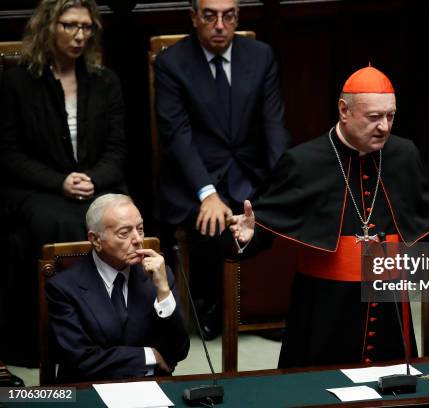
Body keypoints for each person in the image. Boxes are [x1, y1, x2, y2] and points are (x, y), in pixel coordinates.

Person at [228, 66, 429, 369]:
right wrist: (246, 238)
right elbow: (267, 226)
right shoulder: (303, 162)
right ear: (343, 110)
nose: (384, 127)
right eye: (374, 117)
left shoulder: (403, 155)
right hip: (325, 312)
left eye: (390, 116)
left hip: (390, 309)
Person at [0, 0, 126, 366]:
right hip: (37, 188)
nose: (79, 35)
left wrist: (92, 179)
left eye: (86, 27)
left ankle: (112, 334)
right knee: (56, 224)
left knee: (118, 220)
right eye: (70, 26)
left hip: (97, 182)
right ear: (48, 27)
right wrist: (61, 182)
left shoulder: (105, 80)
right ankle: (54, 340)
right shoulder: (18, 81)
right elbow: (8, 154)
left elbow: (118, 149)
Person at [154, 0, 290, 339]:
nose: (219, 24)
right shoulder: (172, 63)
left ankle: (264, 306)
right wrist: (207, 192)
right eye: (210, 16)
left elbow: (274, 127)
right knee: (212, 223)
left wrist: (285, 182)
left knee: (279, 214)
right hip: (194, 178)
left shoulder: (260, 56)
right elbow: (177, 137)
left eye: (228, 16)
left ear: (237, 17)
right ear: (194, 17)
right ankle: (212, 306)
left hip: (249, 172)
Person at [46, 194, 190, 382]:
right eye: (124, 233)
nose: (138, 239)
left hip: (149, 388)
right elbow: (82, 359)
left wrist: (163, 291)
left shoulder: (159, 275)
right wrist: (149, 356)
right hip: (89, 389)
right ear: (96, 240)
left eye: (140, 229)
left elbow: (177, 352)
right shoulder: (64, 287)